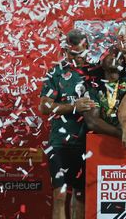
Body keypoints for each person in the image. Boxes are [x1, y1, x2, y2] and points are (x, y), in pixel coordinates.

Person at [38, 29, 96, 219]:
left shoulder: (95, 73)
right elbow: (44, 106)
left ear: (87, 47)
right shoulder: (56, 73)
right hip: (60, 143)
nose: (77, 58)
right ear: (65, 51)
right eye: (73, 54)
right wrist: (73, 107)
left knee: (80, 195)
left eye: (81, 53)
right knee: (60, 195)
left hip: (87, 143)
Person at [83, 47, 126, 139]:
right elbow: (92, 121)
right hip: (103, 142)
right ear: (101, 63)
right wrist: (121, 134)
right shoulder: (93, 87)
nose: (114, 57)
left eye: (118, 55)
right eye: (109, 54)